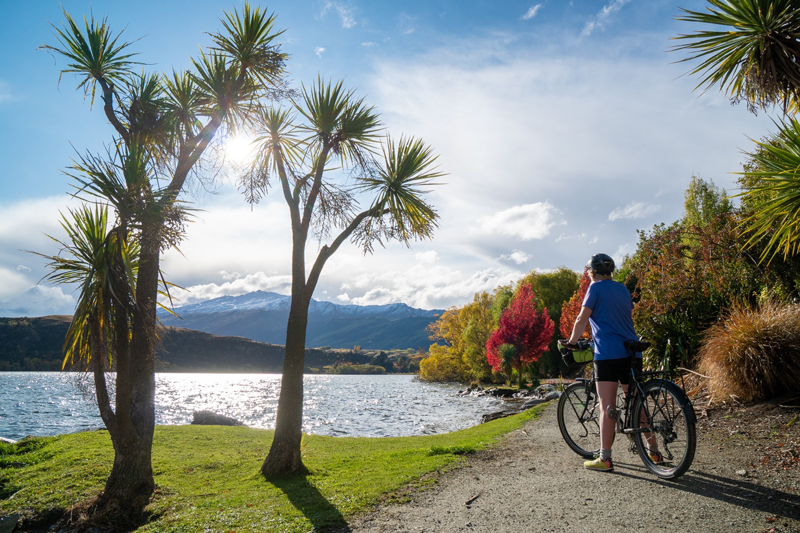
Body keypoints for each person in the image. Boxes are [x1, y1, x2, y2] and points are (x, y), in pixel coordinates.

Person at [564, 253, 643, 472]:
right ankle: (654, 452)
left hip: (609, 353)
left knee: (607, 406)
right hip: (633, 352)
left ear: (591, 272)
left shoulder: (595, 288)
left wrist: (572, 342)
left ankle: (605, 459)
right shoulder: (622, 289)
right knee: (636, 402)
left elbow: (582, 318)